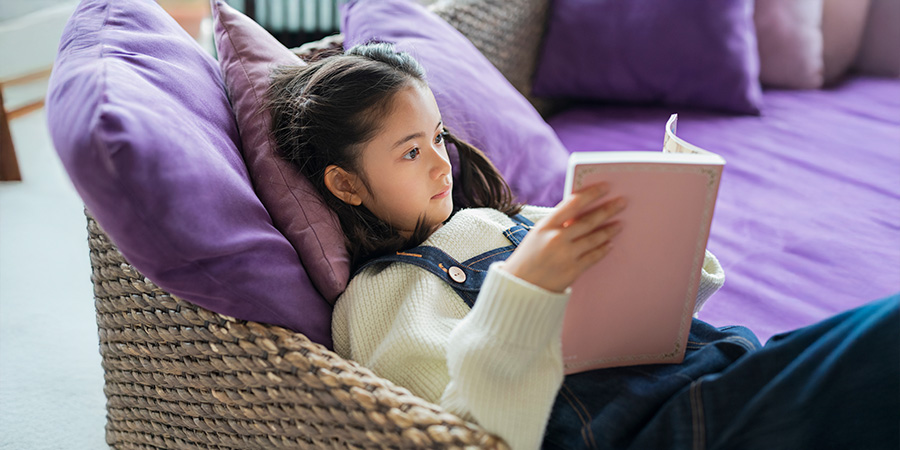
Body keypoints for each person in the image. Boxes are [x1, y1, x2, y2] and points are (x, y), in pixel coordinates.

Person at [266, 42, 899, 450]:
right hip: (659, 426)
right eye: (410, 152)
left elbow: (658, 310)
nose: (441, 164)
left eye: (438, 136)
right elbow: (464, 431)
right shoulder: (383, 294)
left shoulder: (503, 218)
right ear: (346, 184)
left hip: (727, 368)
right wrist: (525, 292)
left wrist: (671, 230)